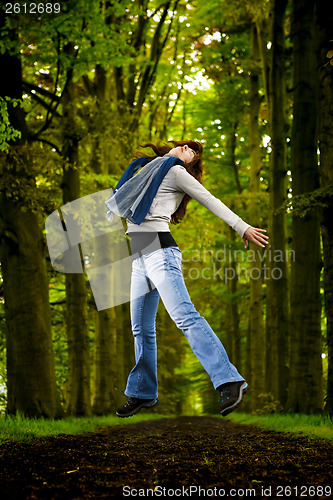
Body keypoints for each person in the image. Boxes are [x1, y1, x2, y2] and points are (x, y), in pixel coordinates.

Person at [106, 140, 268, 418]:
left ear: (190, 163)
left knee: (184, 316)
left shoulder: (176, 172)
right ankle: (142, 392)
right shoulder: (144, 169)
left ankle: (230, 380)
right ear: (173, 146)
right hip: (139, 257)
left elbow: (209, 199)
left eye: (194, 153)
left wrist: (242, 227)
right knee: (141, 329)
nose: (188, 150)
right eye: (186, 146)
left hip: (160, 252)